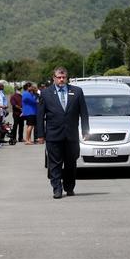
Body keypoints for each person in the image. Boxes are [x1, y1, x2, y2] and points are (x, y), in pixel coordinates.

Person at [36, 66, 89, 199]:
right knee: (55, 163)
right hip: (54, 135)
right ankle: (57, 188)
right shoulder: (46, 93)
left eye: (63, 77)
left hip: (71, 135)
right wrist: (40, 135)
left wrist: (85, 131)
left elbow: (84, 113)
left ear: (67, 78)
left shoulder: (77, 92)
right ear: (54, 78)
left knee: (71, 162)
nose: (61, 80)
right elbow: (40, 115)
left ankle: (69, 187)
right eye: (58, 77)